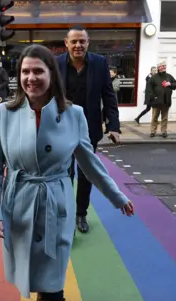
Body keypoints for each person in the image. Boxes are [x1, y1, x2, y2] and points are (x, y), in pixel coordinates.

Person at [0, 44, 134, 301]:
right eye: (25, 72)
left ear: (52, 76)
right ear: (19, 77)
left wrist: (117, 196)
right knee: (34, 272)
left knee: (53, 282)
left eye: (39, 71)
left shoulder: (74, 114)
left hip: (56, 203)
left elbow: (89, 160)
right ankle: (41, 299)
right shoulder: (4, 114)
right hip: (19, 201)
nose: (31, 78)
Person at [57, 25, 121, 234]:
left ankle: (81, 214)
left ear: (88, 42)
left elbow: (109, 96)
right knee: (65, 174)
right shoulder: (56, 64)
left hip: (89, 129)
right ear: (66, 43)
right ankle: (65, 216)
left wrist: (113, 126)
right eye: (74, 41)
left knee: (86, 174)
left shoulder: (100, 63)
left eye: (82, 41)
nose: (78, 45)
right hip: (62, 129)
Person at [144, 61, 176, 138]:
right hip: (156, 102)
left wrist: (170, 84)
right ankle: (153, 131)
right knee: (154, 117)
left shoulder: (169, 76)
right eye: (162, 66)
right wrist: (153, 97)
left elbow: (175, 85)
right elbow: (149, 89)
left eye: (165, 66)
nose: (164, 67)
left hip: (166, 101)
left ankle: (164, 131)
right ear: (158, 67)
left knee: (164, 118)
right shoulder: (154, 77)